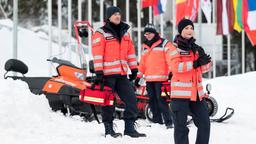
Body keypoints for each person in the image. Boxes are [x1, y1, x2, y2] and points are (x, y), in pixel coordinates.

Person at [91, 6, 146, 138]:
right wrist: (99, 72)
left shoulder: (125, 33)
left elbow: (130, 53)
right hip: (107, 75)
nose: (117, 16)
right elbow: (97, 54)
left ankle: (129, 128)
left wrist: (134, 68)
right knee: (108, 102)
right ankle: (109, 129)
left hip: (121, 74)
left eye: (119, 14)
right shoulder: (100, 33)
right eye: (114, 14)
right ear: (108, 17)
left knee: (132, 99)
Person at [166, 19, 212, 144]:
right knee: (181, 128)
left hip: (197, 94)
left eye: (191, 28)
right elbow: (176, 67)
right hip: (180, 95)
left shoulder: (196, 48)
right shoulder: (173, 48)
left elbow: (203, 69)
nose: (189, 30)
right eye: (186, 28)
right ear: (180, 31)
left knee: (205, 124)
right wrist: (195, 63)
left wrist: (206, 62)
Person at [136, 23, 173, 129]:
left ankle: (168, 122)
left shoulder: (164, 43)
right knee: (152, 101)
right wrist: (139, 76)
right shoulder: (145, 47)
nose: (146, 35)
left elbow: (170, 59)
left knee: (162, 100)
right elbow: (142, 63)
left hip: (162, 79)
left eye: (148, 33)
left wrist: (171, 72)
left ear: (154, 33)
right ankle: (157, 122)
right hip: (149, 79)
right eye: (145, 34)